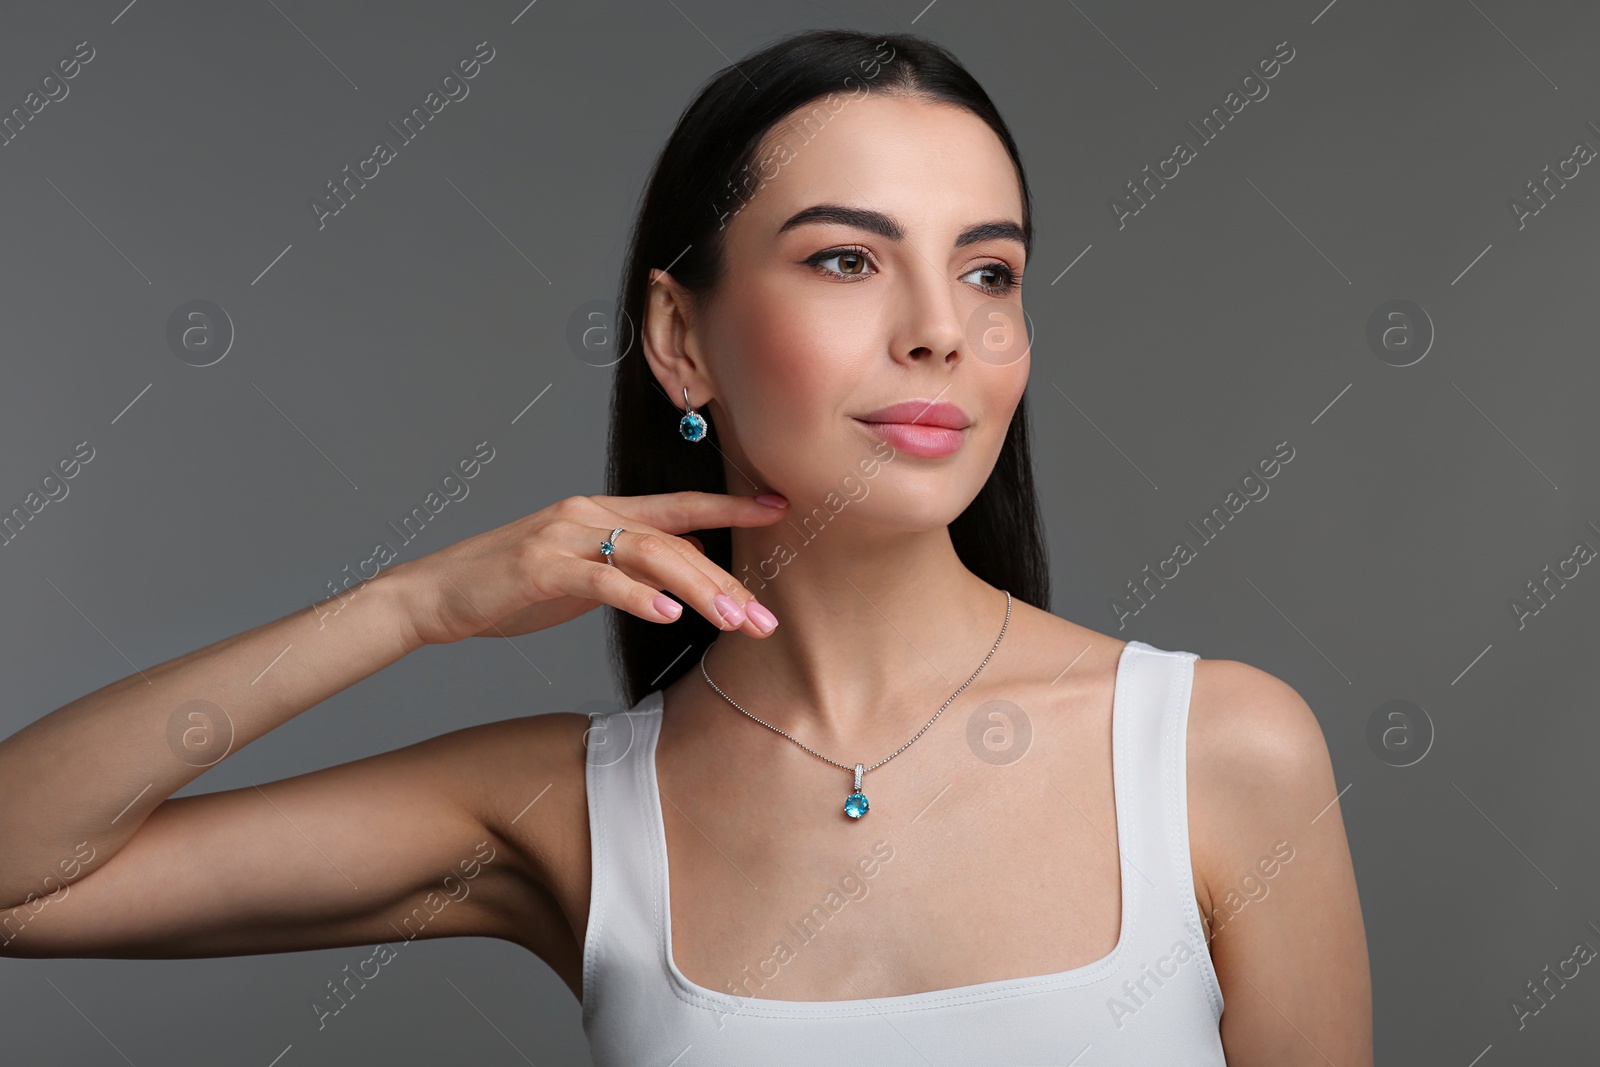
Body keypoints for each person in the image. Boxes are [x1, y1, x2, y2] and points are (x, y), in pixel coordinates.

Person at [0, 27, 1371, 1065]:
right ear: (680, 338)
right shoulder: (564, 812)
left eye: (988, 269)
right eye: (847, 258)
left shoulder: (1216, 749)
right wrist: (411, 606)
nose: (940, 327)